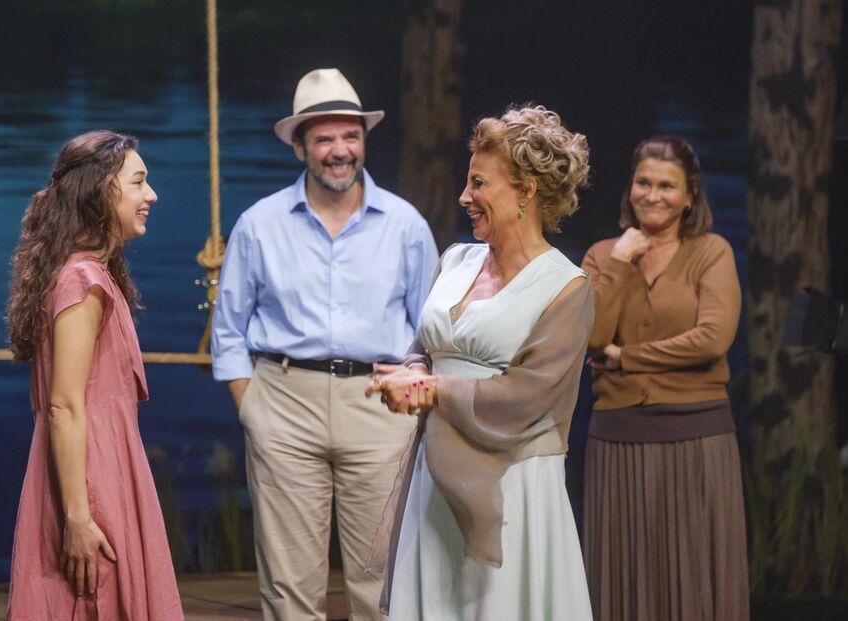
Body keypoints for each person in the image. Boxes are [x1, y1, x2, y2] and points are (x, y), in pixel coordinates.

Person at [210, 68, 438, 620]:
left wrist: (413, 397)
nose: (340, 150)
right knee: (288, 583)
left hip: (380, 406)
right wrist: (253, 409)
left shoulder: (405, 225)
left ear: (364, 141)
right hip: (284, 403)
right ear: (300, 147)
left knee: (382, 580)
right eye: (324, 138)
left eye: (351, 136)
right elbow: (229, 329)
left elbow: (431, 333)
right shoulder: (259, 225)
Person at [365, 104, 594, 620]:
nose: (464, 197)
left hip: (512, 485)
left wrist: (432, 391)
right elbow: (424, 350)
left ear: (526, 192)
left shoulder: (565, 287)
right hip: (436, 477)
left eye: (479, 183)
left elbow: (526, 397)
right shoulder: (455, 260)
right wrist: (414, 375)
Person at [6, 130, 183, 620]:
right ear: (101, 190)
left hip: (106, 470)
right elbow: (63, 405)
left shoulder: (93, 275)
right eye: (138, 182)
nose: (152, 195)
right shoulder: (82, 281)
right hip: (90, 481)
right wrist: (78, 517)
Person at [580, 135, 748, 620]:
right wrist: (619, 262)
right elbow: (591, 336)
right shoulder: (602, 255)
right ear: (630, 187)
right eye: (643, 183)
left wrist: (626, 357)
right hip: (618, 438)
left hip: (696, 436)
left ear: (690, 195)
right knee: (622, 578)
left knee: (694, 578)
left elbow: (712, 339)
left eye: (667, 186)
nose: (652, 195)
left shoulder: (711, 252)